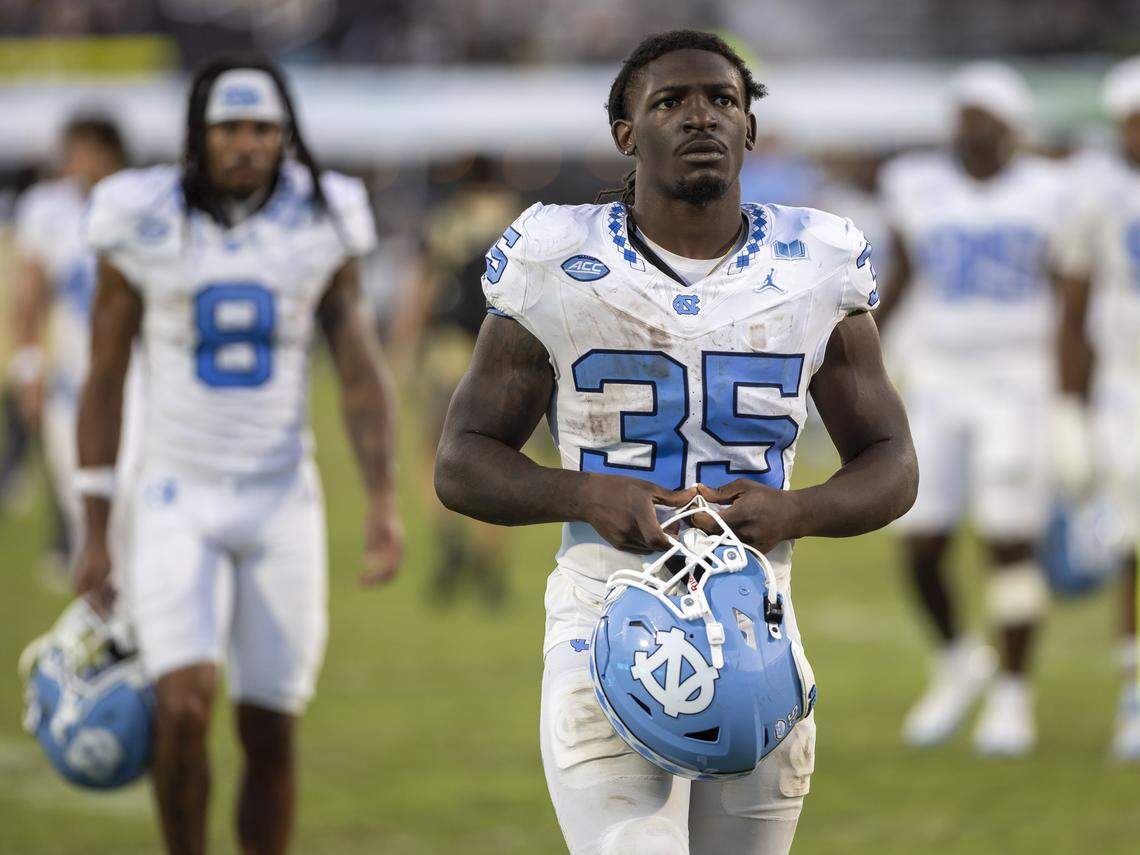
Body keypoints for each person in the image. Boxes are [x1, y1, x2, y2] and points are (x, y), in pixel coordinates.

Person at [435, 29, 917, 855]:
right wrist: (586, 493)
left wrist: (797, 508)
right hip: (603, 612)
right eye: (671, 102)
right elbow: (463, 457)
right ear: (627, 132)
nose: (702, 116)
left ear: (750, 129)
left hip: (760, 621)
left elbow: (892, 461)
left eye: (722, 100)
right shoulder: (558, 255)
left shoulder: (815, 261)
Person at [72, 57, 403, 854]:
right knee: (182, 705)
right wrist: (93, 523)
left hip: (280, 493)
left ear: (284, 136)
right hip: (174, 494)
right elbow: (106, 373)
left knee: (270, 726)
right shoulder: (138, 213)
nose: (246, 143)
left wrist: (383, 502)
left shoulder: (324, 216)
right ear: (199, 133)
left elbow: (359, 369)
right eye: (229, 127)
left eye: (262, 128)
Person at [874, 63, 1070, 755]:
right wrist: (862, 355)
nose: (966, 129)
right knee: (919, 539)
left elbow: (1071, 287)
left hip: (1019, 380)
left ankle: (1013, 694)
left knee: (1008, 537)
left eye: (980, 116)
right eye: (961, 115)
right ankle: (959, 659)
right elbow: (902, 274)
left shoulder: (1052, 192)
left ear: (1012, 128)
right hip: (940, 378)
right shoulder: (917, 185)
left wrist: (1074, 394)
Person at [1053, 56, 1140, 761]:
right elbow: (1073, 307)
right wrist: (1071, 410)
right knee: (1133, 547)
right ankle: (1135, 692)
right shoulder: (1096, 190)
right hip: (1127, 389)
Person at [8, 116, 135, 574]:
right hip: (72, 384)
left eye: (87, 151)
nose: (77, 164)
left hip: (135, 383)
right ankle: (110, 628)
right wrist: (29, 367)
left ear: (111, 153)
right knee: (83, 508)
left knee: (137, 511)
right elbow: (31, 297)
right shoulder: (48, 210)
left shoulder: (141, 206)